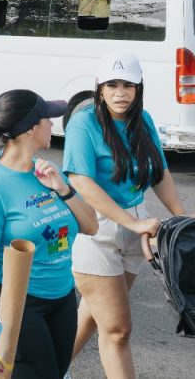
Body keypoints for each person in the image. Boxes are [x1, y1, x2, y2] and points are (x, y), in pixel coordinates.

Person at [64, 52, 188, 379]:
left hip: (136, 228)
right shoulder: (84, 122)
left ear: (139, 87)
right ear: (99, 88)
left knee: (93, 317)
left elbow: (159, 173)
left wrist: (182, 221)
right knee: (118, 329)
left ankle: (46, 370)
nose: (121, 92)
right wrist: (131, 222)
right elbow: (80, 181)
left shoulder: (142, 119)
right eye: (112, 85)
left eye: (128, 85)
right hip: (94, 228)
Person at [0, 89, 98, 379]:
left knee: (58, 372)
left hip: (64, 296)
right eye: (47, 119)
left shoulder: (49, 171)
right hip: (21, 303)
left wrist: (63, 190)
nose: (53, 125)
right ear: (30, 128)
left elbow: (91, 226)